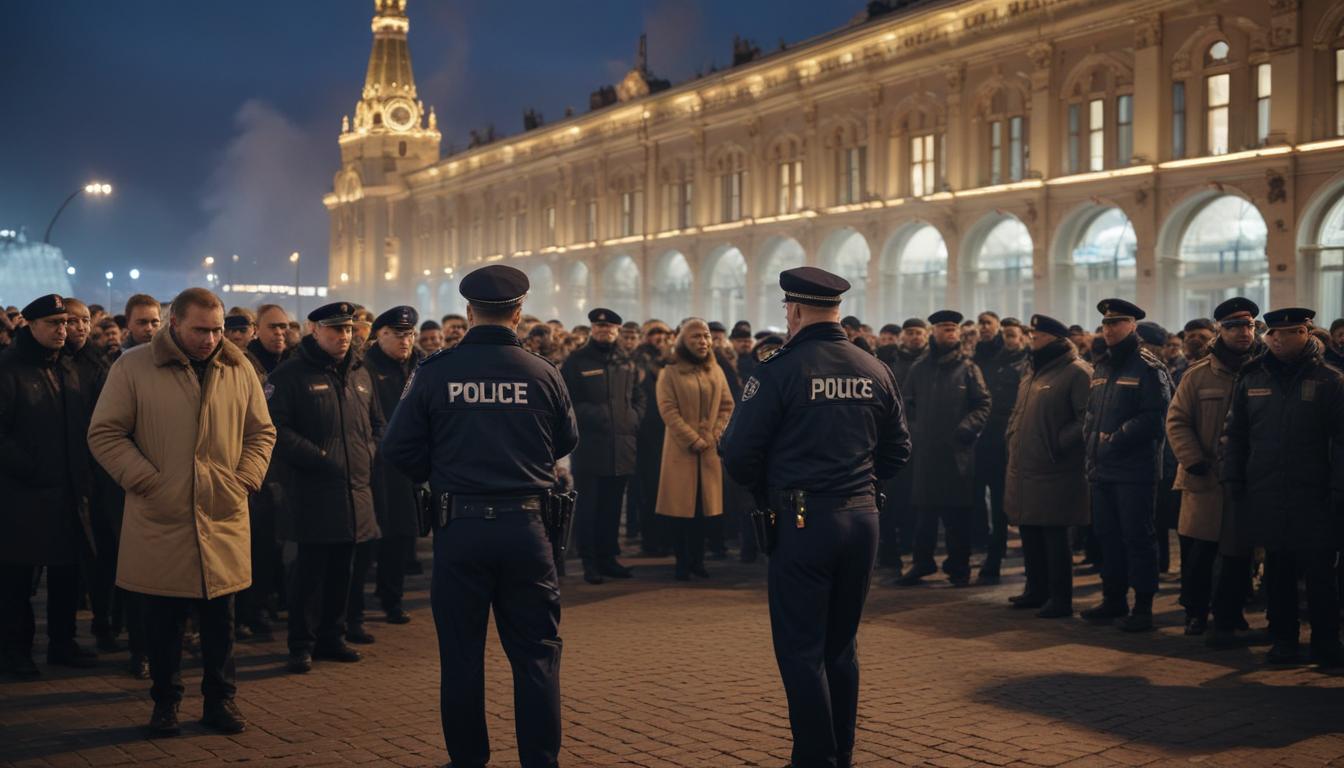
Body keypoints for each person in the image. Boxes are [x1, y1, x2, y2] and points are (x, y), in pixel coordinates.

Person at [381, 265, 579, 768]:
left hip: (461, 525)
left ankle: (468, 759)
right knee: (536, 656)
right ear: (518, 311)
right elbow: (566, 441)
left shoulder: (434, 371)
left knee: (462, 656)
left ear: (469, 312)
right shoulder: (543, 372)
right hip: (528, 528)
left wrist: (445, 470)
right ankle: (540, 760)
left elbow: (399, 449)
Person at [720, 266, 910, 768]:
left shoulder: (779, 370)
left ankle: (814, 758)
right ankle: (839, 753)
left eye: (786, 310)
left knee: (801, 648)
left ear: (797, 310)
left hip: (802, 521)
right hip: (862, 516)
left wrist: (770, 487)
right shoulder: (874, 368)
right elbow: (898, 451)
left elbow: (738, 454)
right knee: (841, 647)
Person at [88, 287, 276, 735]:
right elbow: (106, 433)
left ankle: (220, 701)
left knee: (220, 623)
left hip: (222, 511)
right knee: (164, 622)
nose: (211, 339)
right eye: (200, 330)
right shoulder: (133, 367)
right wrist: (148, 481)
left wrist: (245, 478)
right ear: (174, 322)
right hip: (161, 513)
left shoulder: (239, 367)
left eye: (216, 330)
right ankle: (165, 703)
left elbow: (261, 432)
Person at [1222, 307, 1344, 667]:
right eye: (1272, 333)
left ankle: (1326, 643)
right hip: (1267, 490)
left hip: (1316, 494)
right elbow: (1236, 435)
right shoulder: (1252, 377)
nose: (1276, 339)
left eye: (1287, 333)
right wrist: (1232, 478)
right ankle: (1284, 639)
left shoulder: (1330, 381)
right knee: (1278, 571)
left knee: (1321, 573)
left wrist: (1339, 489)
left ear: (1306, 333)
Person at [267, 302, 384, 673]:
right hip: (313, 489)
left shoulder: (361, 374)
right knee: (309, 572)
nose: (344, 336)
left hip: (355, 489)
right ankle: (301, 643)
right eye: (335, 329)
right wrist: (318, 456)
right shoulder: (291, 375)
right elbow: (276, 429)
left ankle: (333, 637)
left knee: (343, 571)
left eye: (348, 329)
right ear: (313, 330)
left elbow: (377, 424)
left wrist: (369, 452)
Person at [0, 295, 96, 678]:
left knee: (66, 574)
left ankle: (62, 642)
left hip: (68, 491)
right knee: (18, 578)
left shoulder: (68, 367)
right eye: (54, 324)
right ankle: (15, 651)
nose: (63, 330)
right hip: (22, 493)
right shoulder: (9, 368)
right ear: (30, 325)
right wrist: (28, 466)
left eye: (66, 323)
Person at [1166, 298, 1261, 639]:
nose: (1243, 332)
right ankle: (1195, 612)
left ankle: (1231, 613)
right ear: (1221, 330)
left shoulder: (1262, 371)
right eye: (1234, 326)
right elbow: (1177, 421)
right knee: (1199, 555)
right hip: (1203, 479)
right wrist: (1192, 460)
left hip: (1244, 481)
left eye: (1248, 325)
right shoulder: (1199, 375)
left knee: (1237, 557)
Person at [1081, 299, 1171, 632]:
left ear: (1133, 326)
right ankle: (1114, 598)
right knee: (1108, 536)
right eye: (1105, 323)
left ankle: (1143, 607)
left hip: (1135, 470)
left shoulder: (1148, 367)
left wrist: (1117, 437)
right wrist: (1090, 440)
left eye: (1116, 323)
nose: (1109, 328)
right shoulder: (1102, 365)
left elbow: (1155, 417)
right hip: (1103, 467)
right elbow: (1092, 412)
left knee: (1137, 537)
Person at [1003, 315, 1092, 618]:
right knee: (1030, 531)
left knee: (1055, 536)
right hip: (1027, 466)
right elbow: (1020, 413)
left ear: (1054, 339)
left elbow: (1086, 420)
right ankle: (1035, 590)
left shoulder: (1077, 372)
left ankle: (1060, 597)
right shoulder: (1032, 372)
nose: (1031, 340)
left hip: (1056, 468)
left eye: (1036, 335)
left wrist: (1056, 442)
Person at [897, 310, 991, 588]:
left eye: (952, 329)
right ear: (933, 332)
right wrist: (914, 431)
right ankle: (922, 562)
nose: (949, 333)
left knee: (956, 516)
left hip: (956, 453)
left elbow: (983, 404)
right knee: (924, 515)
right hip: (926, 453)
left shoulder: (969, 368)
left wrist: (966, 428)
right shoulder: (920, 368)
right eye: (943, 328)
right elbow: (907, 403)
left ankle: (958, 568)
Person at [561, 307, 645, 584]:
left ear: (617, 331)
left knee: (611, 509)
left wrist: (632, 417)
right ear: (591, 330)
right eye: (599, 328)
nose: (604, 331)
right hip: (591, 446)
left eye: (609, 328)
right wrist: (600, 415)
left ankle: (608, 558)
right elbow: (568, 402)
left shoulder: (626, 361)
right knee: (589, 509)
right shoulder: (577, 361)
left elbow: (638, 396)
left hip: (621, 447)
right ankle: (590, 563)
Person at [655, 318, 734, 580]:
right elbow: (668, 410)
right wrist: (692, 438)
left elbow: (726, 405)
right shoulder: (670, 372)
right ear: (683, 342)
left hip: (708, 451)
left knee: (702, 510)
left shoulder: (716, 370)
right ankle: (681, 562)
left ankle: (698, 561)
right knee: (681, 511)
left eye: (706, 336)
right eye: (696, 337)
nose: (703, 341)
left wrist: (714, 433)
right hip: (681, 452)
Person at [363, 306, 422, 625]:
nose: (406, 341)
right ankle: (355, 606)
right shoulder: (367, 367)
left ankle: (392, 598)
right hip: (376, 462)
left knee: (402, 533)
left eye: (409, 335)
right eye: (398, 335)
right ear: (379, 335)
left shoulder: (420, 364)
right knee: (374, 535)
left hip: (408, 463)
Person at [971, 313, 1029, 584]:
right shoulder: (983, 359)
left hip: (1007, 439)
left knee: (1002, 502)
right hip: (983, 439)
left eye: (1009, 334)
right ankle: (988, 549)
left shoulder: (1022, 364)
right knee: (981, 500)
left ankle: (997, 557)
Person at [632, 320, 673, 556]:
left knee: (669, 489)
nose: (660, 336)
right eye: (654, 332)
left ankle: (667, 538)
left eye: (664, 332)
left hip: (670, 433)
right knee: (650, 490)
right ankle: (651, 540)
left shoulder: (673, 360)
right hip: (647, 436)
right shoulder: (637, 361)